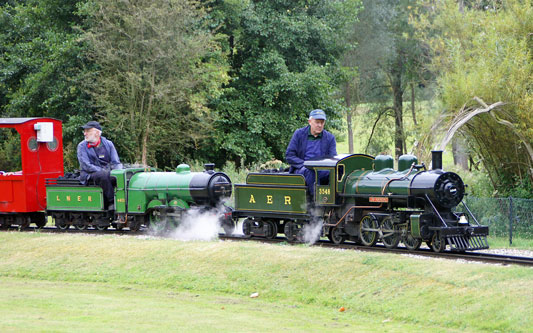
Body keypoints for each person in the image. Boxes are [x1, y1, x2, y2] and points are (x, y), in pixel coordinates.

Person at [285, 109, 337, 196]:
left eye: (322, 122)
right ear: (310, 121)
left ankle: (336, 203)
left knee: (336, 174)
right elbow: (289, 155)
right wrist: (305, 164)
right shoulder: (299, 134)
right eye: (317, 122)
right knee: (311, 172)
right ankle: (315, 203)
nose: (320, 125)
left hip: (322, 169)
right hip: (302, 168)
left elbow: (332, 158)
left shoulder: (330, 138)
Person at [77, 121, 122, 210]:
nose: (85, 133)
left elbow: (116, 162)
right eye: (84, 131)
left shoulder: (109, 144)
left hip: (108, 171)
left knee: (119, 176)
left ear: (97, 133)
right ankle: (112, 202)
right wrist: (103, 171)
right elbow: (86, 165)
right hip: (89, 174)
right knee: (103, 175)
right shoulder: (82, 146)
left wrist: (118, 172)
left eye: (88, 131)